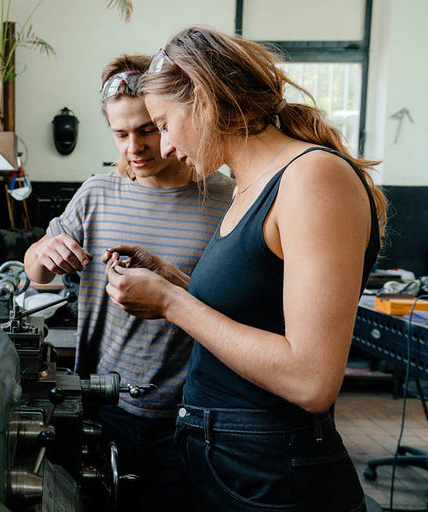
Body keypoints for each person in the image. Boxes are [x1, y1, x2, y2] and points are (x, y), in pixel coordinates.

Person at [104, 27, 387, 511]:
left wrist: (172, 304)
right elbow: (258, 318)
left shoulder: (311, 177)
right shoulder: (248, 187)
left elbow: (311, 379)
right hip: (227, 457)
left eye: (163, 123)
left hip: (270, 471)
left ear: (204, 99)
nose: (165, 146)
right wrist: (174, 284)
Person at [24, 54, 234, 510]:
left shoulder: (224, 198)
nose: (133, 147)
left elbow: (233, 306)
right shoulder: (97, 194)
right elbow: (35, 273)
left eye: (147, 130)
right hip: (103, 409)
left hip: (192, 415)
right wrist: (44, 252)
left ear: (171, 120)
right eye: (121, 134)